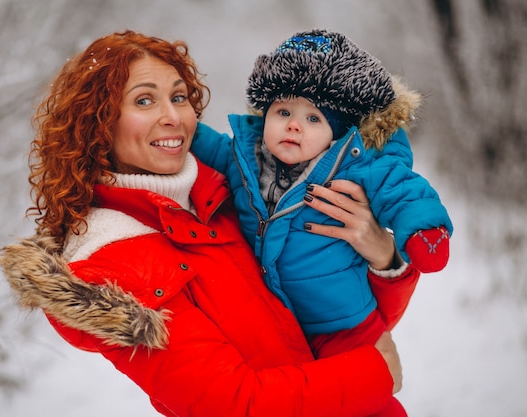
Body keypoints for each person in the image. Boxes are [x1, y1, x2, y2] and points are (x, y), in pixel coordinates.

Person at [0, 30, 421, 417]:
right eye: (144, 101)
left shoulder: (226, 196)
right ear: (97, 124)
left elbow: (339, 321)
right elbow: (234, 404)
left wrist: (385, 260)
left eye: (179, 97)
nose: (173, 117)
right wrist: (375, 372)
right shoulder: (112, 258)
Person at [191, 29, 454, 416]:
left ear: (337, 133)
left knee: (368, 401)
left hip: (345, 323)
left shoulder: (353, 165)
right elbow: (208, 146)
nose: (294, 126)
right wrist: (182, 126)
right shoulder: (245, 160)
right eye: (283, 113)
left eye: (313, 118)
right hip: (280, 323)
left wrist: (424, 230)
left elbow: (402, 188)